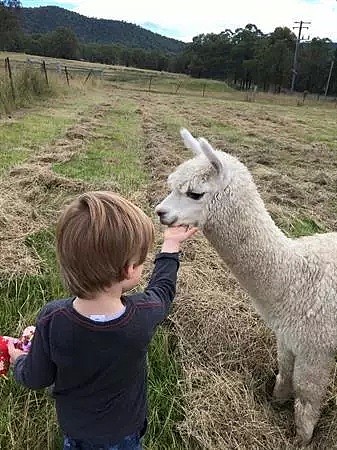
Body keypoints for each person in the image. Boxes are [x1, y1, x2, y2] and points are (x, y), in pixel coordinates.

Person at [8, 191, 197, 450]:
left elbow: (36, 377)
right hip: (126, 431)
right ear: (129, 270)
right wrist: (172, 243)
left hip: (76, 431)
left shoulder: (53, 319)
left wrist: (18, 357)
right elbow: (163, 290)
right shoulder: (143, 314)